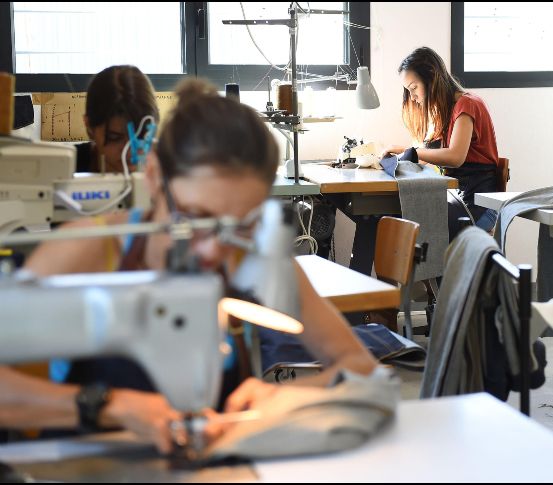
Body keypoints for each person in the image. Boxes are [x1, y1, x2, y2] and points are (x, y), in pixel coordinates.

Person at [0, 79, 377, 453]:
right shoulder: (88, 250)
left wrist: (285, 396)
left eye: (242, 224)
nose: (214, 250)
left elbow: (359, 366)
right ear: (153, 178)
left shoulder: (252, 258)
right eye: (195, 218)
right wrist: (109, 406)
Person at [382, 46, 500, 238]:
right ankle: (424, 268)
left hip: (478, 206)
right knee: (395, 216)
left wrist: (413, 151)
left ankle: (429, 268)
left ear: (432, 78)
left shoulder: (467, 105)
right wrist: (402, 153)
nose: (412, 97)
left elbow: (455, 157)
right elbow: (427, 157)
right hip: (457, 198)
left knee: (405, 222)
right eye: (408, 91)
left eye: (414, 88)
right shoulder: (444, 112)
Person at [75, 65, 159, 173]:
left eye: (141, 135)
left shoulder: (173, 169)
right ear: (89, 127)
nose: (129, 151)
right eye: (114, 138)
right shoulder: (62, 165)